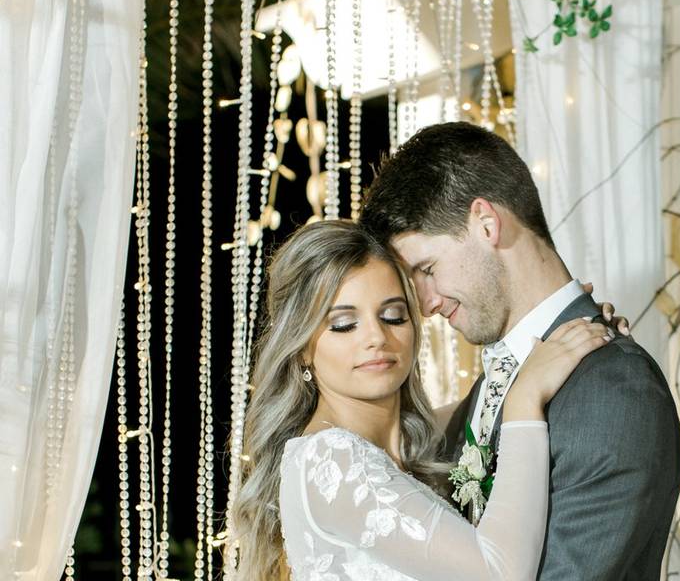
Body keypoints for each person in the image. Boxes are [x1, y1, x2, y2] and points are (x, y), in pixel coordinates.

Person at [360, 122, 680, 580]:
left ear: (486, 223)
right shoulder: (492, 391)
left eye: (427, 269)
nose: (428, 305)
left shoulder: (614, 389)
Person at [230, 220, 612, 580]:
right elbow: (501, 573)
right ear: (302, 350)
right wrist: (526, 398)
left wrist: (581, 342)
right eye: (344, 324)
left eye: (393, 316)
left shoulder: (421, 440)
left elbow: (485, 403)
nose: (376, 337)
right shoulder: (330, 458)